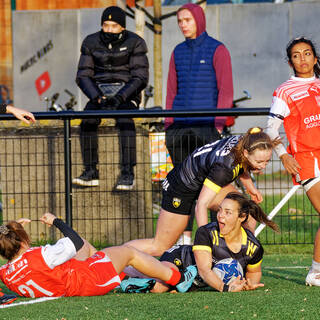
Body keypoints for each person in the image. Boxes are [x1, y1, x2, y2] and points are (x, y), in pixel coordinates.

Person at [125, 127, 281, 257]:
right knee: (159, 246)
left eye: (267, 161)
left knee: (248, 213)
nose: (263, 166)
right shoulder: (224, 169)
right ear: (246, 153)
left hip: (203, 181)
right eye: (259, 162)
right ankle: (112, 257)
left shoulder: (245, 142)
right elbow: (202, 205)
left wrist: (250, 188)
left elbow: (243, 165)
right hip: (180, 188)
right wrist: (204, 243)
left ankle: (242, 259)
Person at [0, 213, 197, 298]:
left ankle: (128, 280)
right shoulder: (42, 255)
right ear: (23, 240)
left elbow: (10, 245)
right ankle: (179, 279)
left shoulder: (6, 274)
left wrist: (13, 230)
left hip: (68, 284)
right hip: (86, 279)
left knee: (89, 248)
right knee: (128, 253)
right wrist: (56, 221)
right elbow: (73, 241)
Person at [165, 3, 234, 245]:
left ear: (199, 20)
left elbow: (226, 91)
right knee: (184, 188)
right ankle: (183, 243)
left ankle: (220, 240)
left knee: (215, 189)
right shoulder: (177, 51)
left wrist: (218, 124)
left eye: (187, 20)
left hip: (207, 129)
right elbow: (171, 90)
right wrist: (168, 125)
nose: (183, 25)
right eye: (180, 21)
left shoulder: (218, 49)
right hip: (180, 130)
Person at [121, 192, 278, 293]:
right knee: (161, 287)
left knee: (167, 286)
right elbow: (204, 271)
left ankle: (134, 276)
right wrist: (226, 288)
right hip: (180, 259)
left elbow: (254, 273)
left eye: (228, 212)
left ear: (242, 217)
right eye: (220, 210)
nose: (220, 216)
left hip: (196, 281)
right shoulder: (206, 232)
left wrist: (247, 284)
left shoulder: (254, 247)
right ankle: (126, 274)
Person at [72, 6, 149, 190]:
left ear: (122, 27)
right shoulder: (91, 42)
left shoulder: (135, 42)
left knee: (125, 120)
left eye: (114, 26)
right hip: (99, 93)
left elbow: (140, 77)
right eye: (106, 25)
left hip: (126, 94)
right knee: (88, 120)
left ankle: (127, 173)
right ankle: (90, 171)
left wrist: (122, 96)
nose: (109, 30)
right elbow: (83, 75)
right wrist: (97, 97)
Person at [265, 37, 320, 286]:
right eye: (296, 55)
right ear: (290, 62)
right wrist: (284, 155)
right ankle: (315, 272)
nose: (303, 59)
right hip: (307, 160)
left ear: (315, 58)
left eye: (307, 53)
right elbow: (271, 129)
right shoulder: (285, 91)